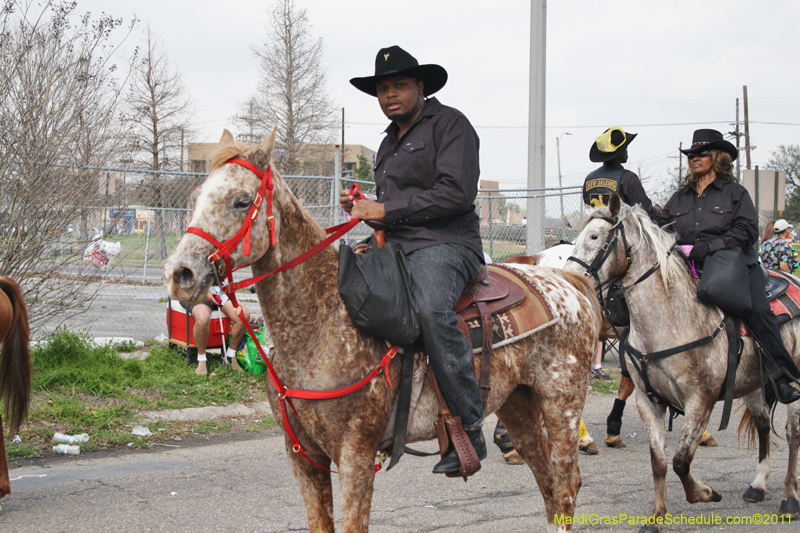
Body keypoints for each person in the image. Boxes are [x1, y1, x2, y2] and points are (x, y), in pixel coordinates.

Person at [343, 45, 485, 476]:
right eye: (383, 88)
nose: (390, 94)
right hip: (397, 245)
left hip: (447, 243)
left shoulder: (452, 125)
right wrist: (371, 217)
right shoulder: (385, 146)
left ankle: (469, 424)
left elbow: (456, 193)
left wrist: (384, 211)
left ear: (420, 86)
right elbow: (390, 206)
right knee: (340, 290)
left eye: (400, 85)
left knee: (429, 308)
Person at [657, 129, 800, 404]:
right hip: (690, 271)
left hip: (735, 268)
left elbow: (747, 232)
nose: (694, 159)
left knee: (759, 312)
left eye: (701, 154)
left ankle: (782, 377)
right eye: (691, 155)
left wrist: (705, 248)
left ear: (717, 157)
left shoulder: (736, 193)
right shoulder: (680, 197)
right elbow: (663, 227)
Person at [583, 127, 661, 219]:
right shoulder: (628, 179)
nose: (627, 152)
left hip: (595, 231)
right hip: (620, 231)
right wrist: (658, 211)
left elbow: (588, 209)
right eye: (626, 148)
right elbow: (646, 211)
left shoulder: (589, 179)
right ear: (620, 152)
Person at [186, 286, 250, 377]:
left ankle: (230, 355)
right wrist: (204, 293)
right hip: (194, 293)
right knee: (202, 319)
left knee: (243, 314)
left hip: (217, 291)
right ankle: (201, 359)